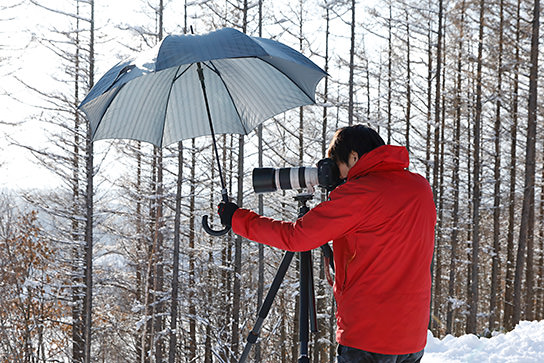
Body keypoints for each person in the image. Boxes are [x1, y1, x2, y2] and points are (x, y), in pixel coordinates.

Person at [218, 125, 436, 363]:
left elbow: (296, 237)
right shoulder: (420, 187)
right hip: (412, 338)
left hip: (368, 339)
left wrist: (237, 218)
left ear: (354, 156)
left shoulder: (360, 193)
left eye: (338, 165)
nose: (339, 175)